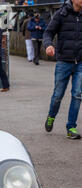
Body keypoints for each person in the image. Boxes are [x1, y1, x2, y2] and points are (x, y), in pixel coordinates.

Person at [43, 0, 82, 140]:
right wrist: (48, 45)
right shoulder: (62, 14)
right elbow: (48, 33)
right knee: (58, 95)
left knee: (77, 94)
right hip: (64, 62)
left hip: (80, 63)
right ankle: (51, 116)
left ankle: (71, 126)